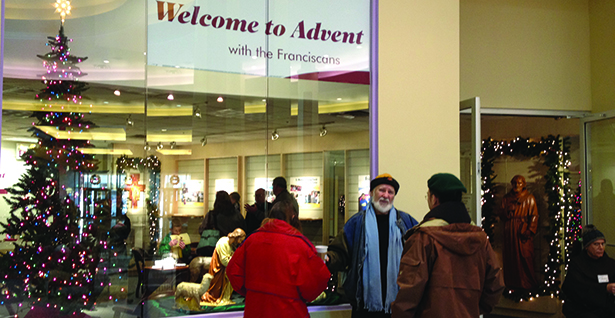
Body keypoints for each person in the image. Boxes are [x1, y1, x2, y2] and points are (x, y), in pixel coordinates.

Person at [391, 173, 504, 317]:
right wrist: (473, 309)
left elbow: (409, 292)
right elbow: (495, 285)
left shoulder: (424, 238)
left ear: (434, 199)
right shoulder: (480, 238)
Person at [326, 173, 418, 318]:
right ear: (371, 193)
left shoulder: (406, 222)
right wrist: (329, 258)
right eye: (382, 190)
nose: (385, 195)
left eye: (390, 192)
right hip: (363, 306)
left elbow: (419, 254)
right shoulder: (356, 223)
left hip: (398, 306)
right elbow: (341, 252)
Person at [227, 201, 331, 318]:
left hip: (255, 310)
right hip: (290, 311)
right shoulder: (300, 245)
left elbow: (232, 271)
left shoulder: (251, 240)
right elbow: (318, 280)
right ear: (293, 218)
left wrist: (252, 292)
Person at [562, 225, 615, 317]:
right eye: (596, 244)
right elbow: (577, 289)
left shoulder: (610, 263)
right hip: (582, 309)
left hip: (607, 308)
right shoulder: (577, 264)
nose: (601, 247)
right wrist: (604, 289)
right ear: (587, 247)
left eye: (602, 244)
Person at [499, 175, 539, 290]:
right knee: (511, 256)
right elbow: (501, 214)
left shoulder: (529, 198)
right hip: (509, 230)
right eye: (515, 183)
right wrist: (508, 210)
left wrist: (530, 230)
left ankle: (527, 283)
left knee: (525, 256)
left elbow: (534, 215)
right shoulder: (506, 198)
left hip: (522, 230)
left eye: (520, 183)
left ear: (524, 184)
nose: (517, 185)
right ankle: (512, 283)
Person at [201, 228, 246, 306]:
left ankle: (226, 298)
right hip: (219, 270)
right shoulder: (223, 242)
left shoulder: (232, 245)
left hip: (227, 269)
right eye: (240, 240)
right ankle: (223, 299)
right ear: (236, 238)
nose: (240, 243)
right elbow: (224, 261)